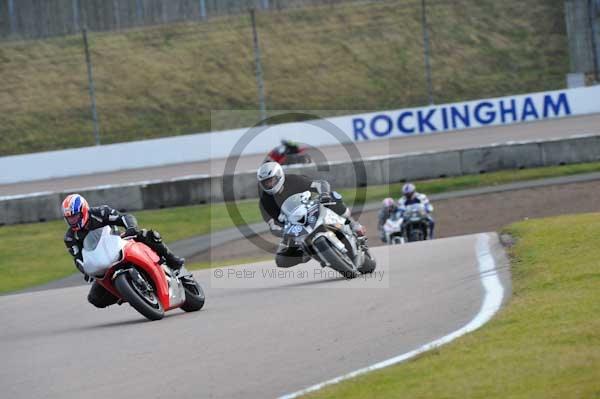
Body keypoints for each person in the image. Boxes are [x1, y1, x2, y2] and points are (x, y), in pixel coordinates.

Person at [62, 194, 184, 308]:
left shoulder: (101, 212)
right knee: (94, 299)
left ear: (83, 211)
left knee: (147, 235)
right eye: (69, 218)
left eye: (75, 216)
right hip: (102, 263)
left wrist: (131, 228)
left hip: (119, 244)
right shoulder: (70, 237)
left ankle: (172, 259)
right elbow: (78, 258)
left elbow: (124, 217)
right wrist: (86, 271)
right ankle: (128, 293)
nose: (73, 220)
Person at [257, 161, 366, 268]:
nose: (269, 184)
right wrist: (282, 231)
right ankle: (310, 253)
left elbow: (320, 184)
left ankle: (352, 223)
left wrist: (324, 194)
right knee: (281, 260)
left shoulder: (294, 180)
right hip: (294, 228)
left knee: (333, 197)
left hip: (312, 208)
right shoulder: (265, 202)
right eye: (265, 182)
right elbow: (272, 224)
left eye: (271, 180)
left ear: (279, 176)